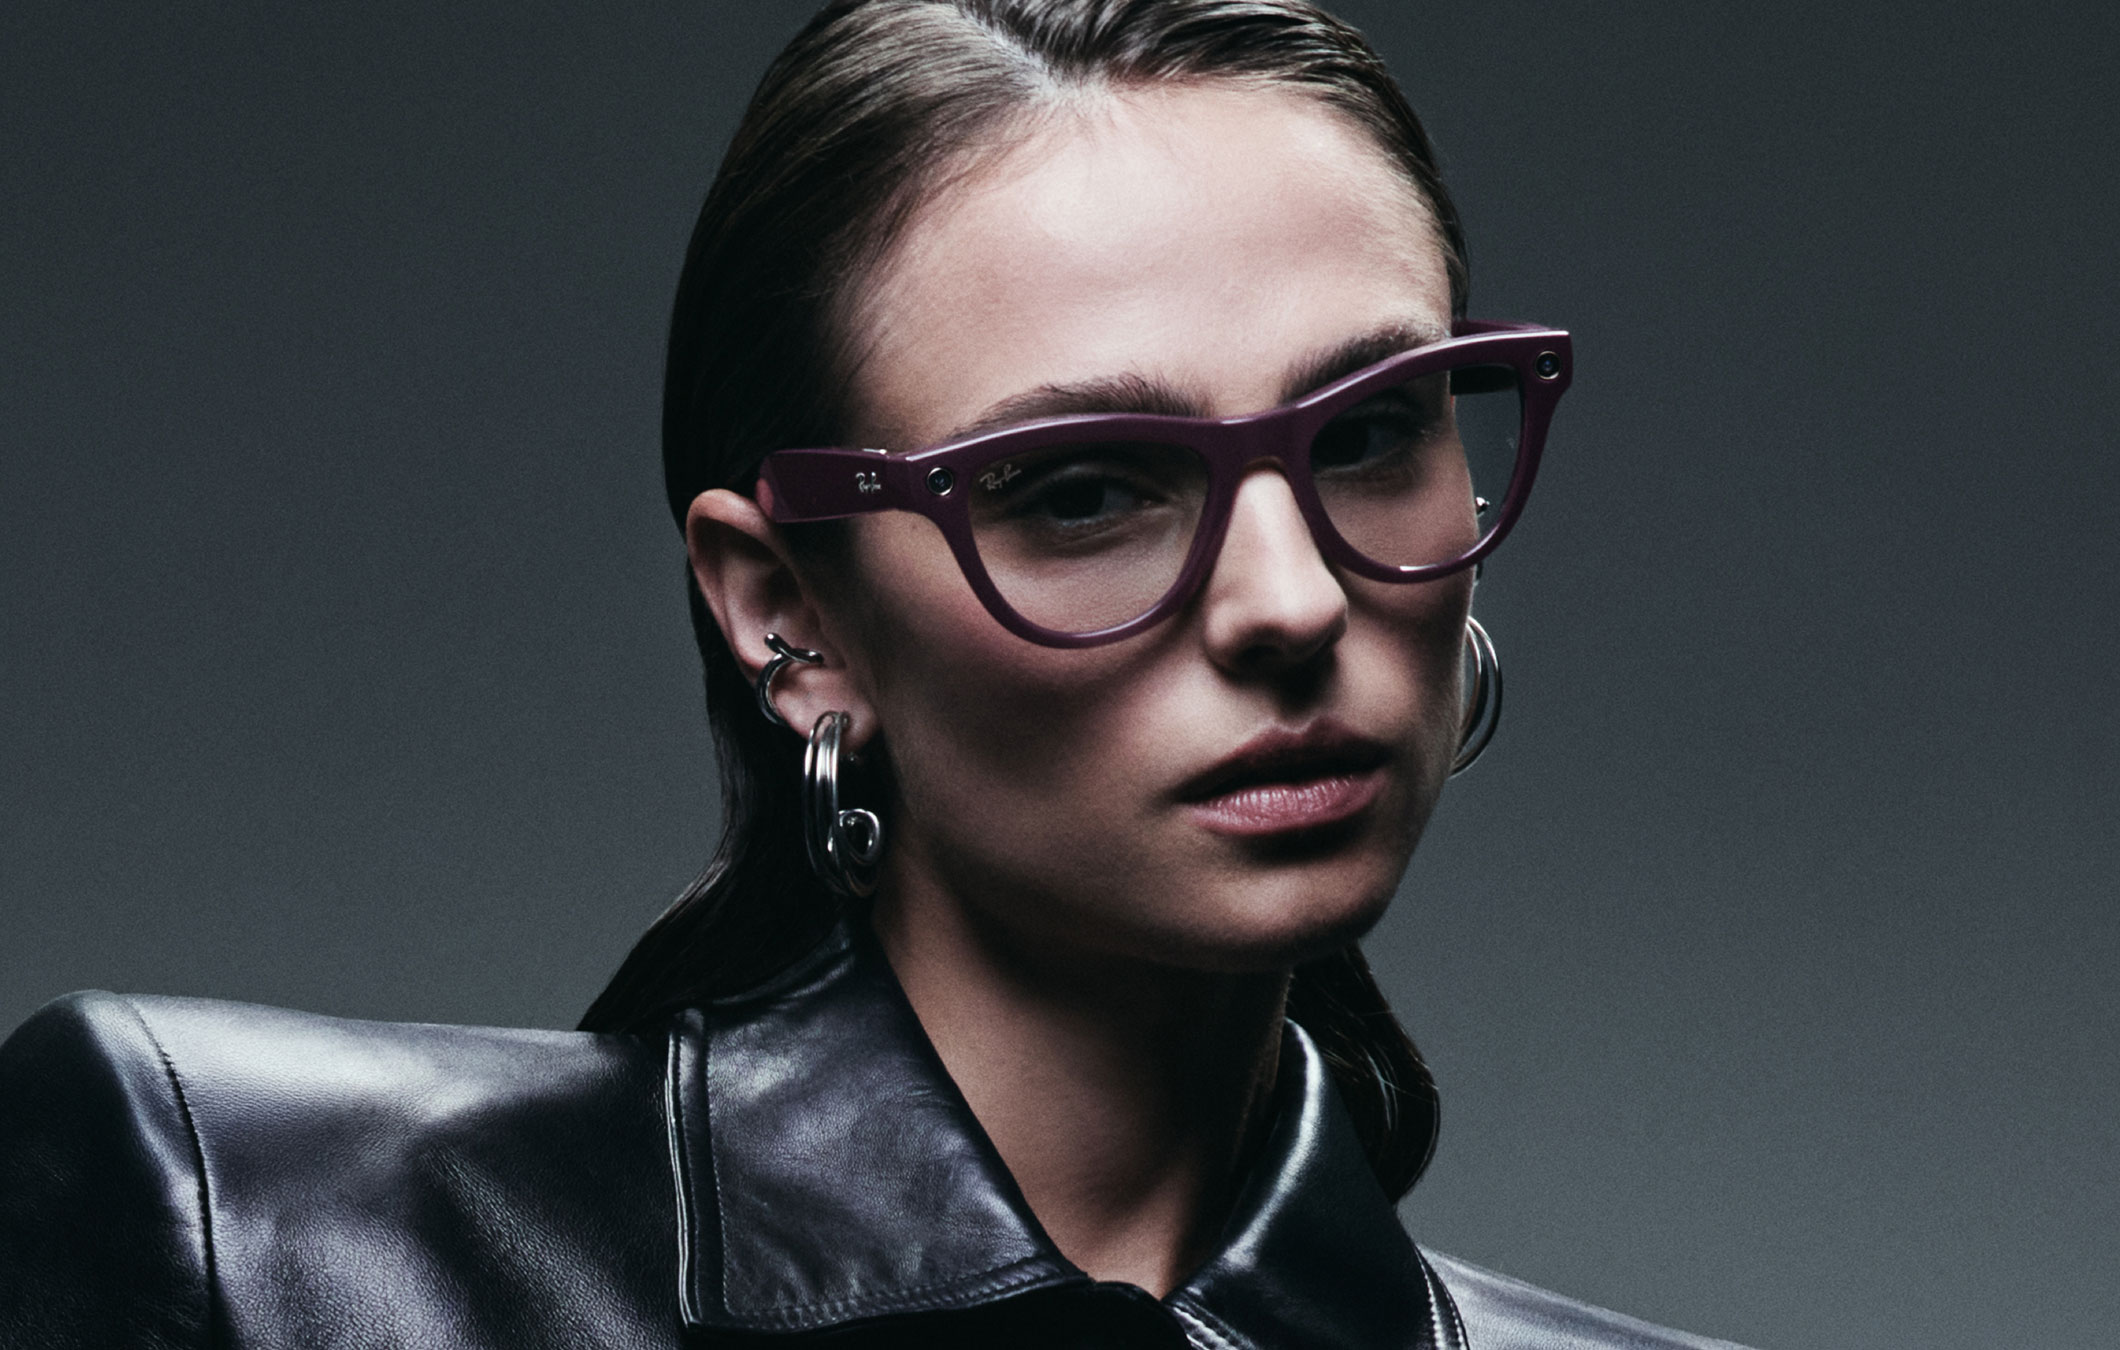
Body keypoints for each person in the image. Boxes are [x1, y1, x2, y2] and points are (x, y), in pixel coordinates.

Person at [0, 2, 1749, 1346]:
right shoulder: (259, 1238)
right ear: (788, 616)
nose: (1289, 599)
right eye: (1081, 487)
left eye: (1370, 433)